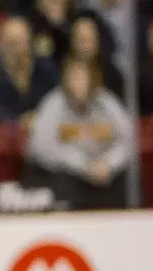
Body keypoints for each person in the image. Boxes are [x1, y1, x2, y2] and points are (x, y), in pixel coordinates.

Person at [24, 57, 134, 210]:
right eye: (74, 77)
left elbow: (128, 140)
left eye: (83, 77)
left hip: (103, 172)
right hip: (67, 173)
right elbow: (41, 147)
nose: (78, 83)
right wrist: (82, 165)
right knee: (61, 183)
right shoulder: (54, 103)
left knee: (124, 182)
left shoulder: (107, 103)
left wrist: (109, 163)